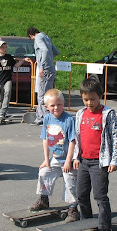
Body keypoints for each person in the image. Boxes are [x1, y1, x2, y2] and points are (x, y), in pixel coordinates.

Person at [72, 77, 117, 231]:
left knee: (100, 196)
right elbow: (77, 138)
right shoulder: (80, 114)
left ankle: (105, 229)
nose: (89, 103)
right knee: (81, 194)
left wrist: (114, 161)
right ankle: (87, 222)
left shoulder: (107, 114)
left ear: (100, 96)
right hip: (83, 161)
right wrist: (75, 157)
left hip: (99, 162)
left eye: (92, 99)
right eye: (85, 99)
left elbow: (115, 138)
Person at [29, 89, 78, 221]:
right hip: (55, 157)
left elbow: (73, 141)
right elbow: (45, 139)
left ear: (63, 103)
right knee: (44, 173)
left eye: (59, 104)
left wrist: (69, 161)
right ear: (46, 107)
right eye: (52, 105)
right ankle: (43, 200)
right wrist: (46, 159)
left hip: (69, 158)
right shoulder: (47, 118)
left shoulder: (69, 120)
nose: (56, 108)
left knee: (70, 182)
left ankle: (73, 208)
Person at [27, 27, 59, 126]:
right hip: (51, 68)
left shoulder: (38, 38)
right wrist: (49, 59)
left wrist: (41, 65)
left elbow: (44, 50)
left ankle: (45, 118)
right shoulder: (47, 38)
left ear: (31, 35)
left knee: (42, 95)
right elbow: (56, 51)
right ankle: (40, 116)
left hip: (44, 69)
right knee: (47, 94)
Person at [0, 40, 25, 119]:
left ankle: (4, 110)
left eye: (6, 47)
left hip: (8, 79)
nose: (5, 49)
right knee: (0, 97)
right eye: (3, 47)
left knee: (7, 92)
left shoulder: (9, 57)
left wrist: (22, 61)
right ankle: (1, 111)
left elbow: (16, 65)